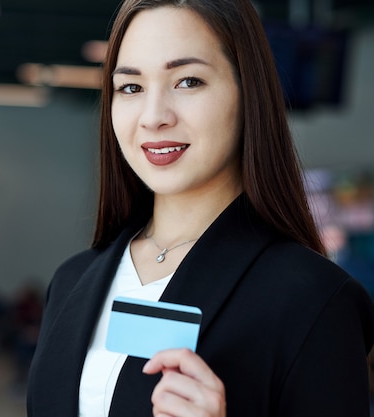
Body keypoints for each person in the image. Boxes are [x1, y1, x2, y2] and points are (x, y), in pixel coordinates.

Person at [26, 0, 374, 416]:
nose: (153, 117)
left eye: (188, 81)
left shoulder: (313, 299)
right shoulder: (71, 281)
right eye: (131, 87)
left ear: (249, 93)